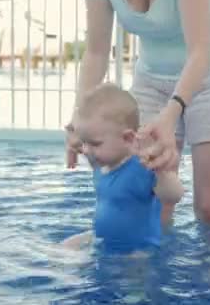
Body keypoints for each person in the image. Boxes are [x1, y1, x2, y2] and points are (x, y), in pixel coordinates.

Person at [65, 0, 210, 232]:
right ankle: (153, 268)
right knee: (148, 200)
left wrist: (171, 114)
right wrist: (78, 119)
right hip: (153, 76)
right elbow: (96, 52)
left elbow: (200, 53)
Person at [61, 83, 184, 253]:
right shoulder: (101, 166)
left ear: (127, 139)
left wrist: (162, 173)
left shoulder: (141, 168)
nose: (87, 150)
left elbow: (174, 196)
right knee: (66, 246)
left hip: (138, 250)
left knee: (134, 272)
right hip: (104, 240)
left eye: (95, 144)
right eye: (84, 142)